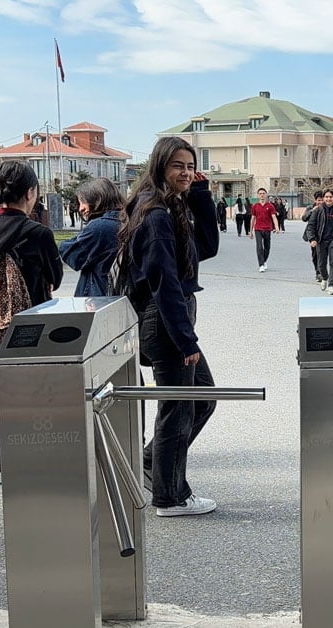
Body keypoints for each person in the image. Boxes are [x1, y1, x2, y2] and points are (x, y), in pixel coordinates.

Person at [119, 136, 220, 516]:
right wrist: (185, 339)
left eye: (190, 165)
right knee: (178, 406)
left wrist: (201, 194)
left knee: (204, 397)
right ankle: (171, 496)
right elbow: (165, 282)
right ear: (160, 166)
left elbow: (205, 249)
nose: (186, 172)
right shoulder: (156, 214)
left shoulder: (168, 208)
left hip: (168, 319)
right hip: (163, 321)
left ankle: (154, 466)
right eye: (178, 165)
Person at [0, 160, 63, 484]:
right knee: (33, 391)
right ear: (31, 193)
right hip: (30, 323)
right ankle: (29, 453)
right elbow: (56, 277)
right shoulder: (37, 233)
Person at [60, 177, 123, 297]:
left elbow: (70, 253)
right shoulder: (126, 221)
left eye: (83, 202)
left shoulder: (99, 227)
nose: (81, 208)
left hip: (99, 297)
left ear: (96, 200)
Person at [305, 189, 333, 295]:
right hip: (321, 240)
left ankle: (331, 285)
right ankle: (325, 278)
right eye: (326, 197)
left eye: (330, 197)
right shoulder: (318, 210)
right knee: (321, 264)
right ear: (323, 198)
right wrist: (312, 239)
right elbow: (311, 226)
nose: (328, 199)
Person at [250, 187, 278, 272]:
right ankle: (261, 264)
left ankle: (264, 260)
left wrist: (277, 227)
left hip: (267, 229)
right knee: (259, 247)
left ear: (266, 195)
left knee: (267, 247)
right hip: (258, 228)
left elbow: (274, 217)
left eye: (263, 193)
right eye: (260, 193)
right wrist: (250, 231)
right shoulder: (255, 206)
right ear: (258, 195)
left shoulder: (270, 206)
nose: (262, 195)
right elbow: (252, 218)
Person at [302, 191, 325, 282]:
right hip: (313, 235)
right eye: (319, 200)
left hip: (324, 235)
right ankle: (318, 272)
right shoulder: (310, 208)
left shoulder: (326, 208)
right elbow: (304, 218)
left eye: (322, 200)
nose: (320, 202)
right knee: (315, 255)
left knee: (322, 255)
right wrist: (312, 211)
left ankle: (321, 272)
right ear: (315, 200)